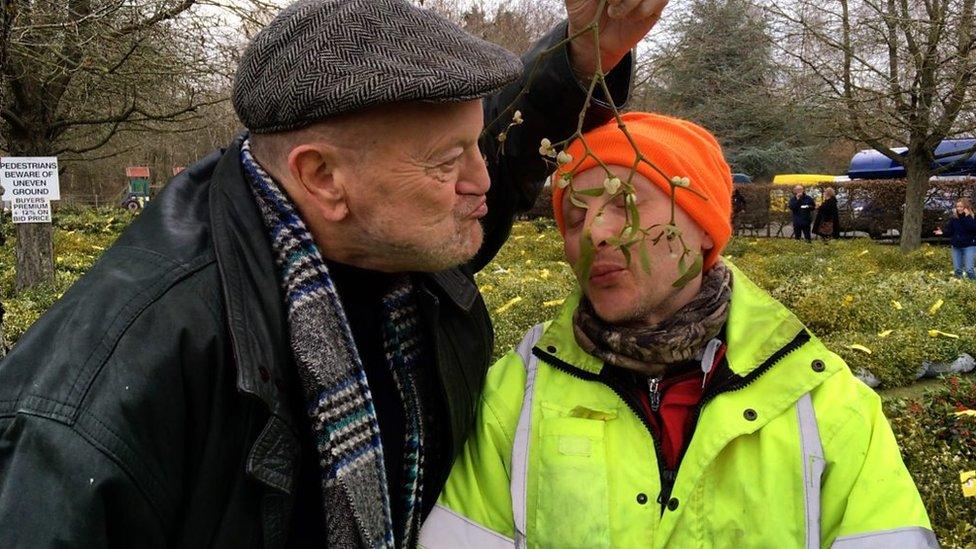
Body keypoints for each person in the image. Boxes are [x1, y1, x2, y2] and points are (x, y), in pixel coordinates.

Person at [0, 0, 666, 546]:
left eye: (475, 145)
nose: (482, 179)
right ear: (321, 177)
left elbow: (486, 137)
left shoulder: (378, 226)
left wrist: (584, 56)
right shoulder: (102, 391)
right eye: (447, 162)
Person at [419, 113, 935, 548]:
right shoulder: (512, 397)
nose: (594, 232)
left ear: (703, 223)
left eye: (626, 202)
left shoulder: (825, 403)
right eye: (574, 218)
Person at [934, 197, 976, 280]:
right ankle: (958, 286)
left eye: (961, 206)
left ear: (966, 208)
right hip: (956, 246)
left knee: (969, 270)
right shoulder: (954, 219)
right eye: (957, 206)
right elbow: (950, 231)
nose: (959, 208)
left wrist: (967, 217)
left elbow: (972, 229)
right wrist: (942, 233)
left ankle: (973, 286)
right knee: (957, 270)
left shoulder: (972, 218)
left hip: (969, 246)